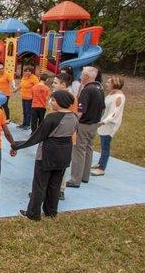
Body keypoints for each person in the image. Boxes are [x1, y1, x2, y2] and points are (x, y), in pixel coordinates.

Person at [11, 91, 78, 220]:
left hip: (47, 154)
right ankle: (51, 211)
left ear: (60, 102)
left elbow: (37, 137)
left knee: (39, 185)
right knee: (55, 184)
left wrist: (16, 145)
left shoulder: (52, 117)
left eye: (53, 100)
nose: (51, 102)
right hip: (64, 154)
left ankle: (33, 213)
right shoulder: (74, 117)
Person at [66, 66, 105, 188]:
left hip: (84, 124)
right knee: (88, 149)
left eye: (82, 74)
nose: (80, 77)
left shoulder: (87, 90)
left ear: (87, 77)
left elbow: (80, 111)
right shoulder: (99, 88)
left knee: (78, 151)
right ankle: (85, 176)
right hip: (94, 124)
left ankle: (75, 179)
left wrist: (72, 123)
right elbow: (103, 107)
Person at [92, 75, 125, 176]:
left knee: (105, 146)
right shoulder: (112, 94)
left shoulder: (119, 97)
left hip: (110, 125)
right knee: (103, 145)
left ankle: (102, 168)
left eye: (109, 82)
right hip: (105, 122)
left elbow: (114, 113)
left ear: (115, 84)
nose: (106, 84)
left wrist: (103, 122)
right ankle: (100, 163)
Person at [53, 72, 78, 201]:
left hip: (64, 136)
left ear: (63, 84)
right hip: (57, 136)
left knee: (62, 165)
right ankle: (53, 189)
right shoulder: (59, 95)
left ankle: (60, 189)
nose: (53, 85)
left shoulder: (69, 98)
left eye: (56, 83)